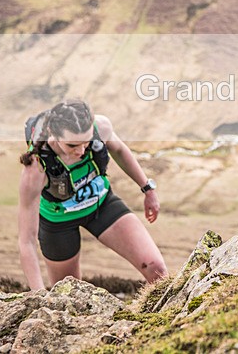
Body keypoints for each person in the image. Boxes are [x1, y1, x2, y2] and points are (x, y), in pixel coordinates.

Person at [18, 99, 167, 290]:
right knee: (70, 294)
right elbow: (26, 242)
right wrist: (37, 294)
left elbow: (120, 150)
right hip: (58, 224)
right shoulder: (35, 169)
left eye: (86, 143)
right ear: (53, 135)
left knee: (156, 268)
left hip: (101, 204)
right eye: (72, 145)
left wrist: (148, 189)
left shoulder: (101, 127)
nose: (81, 151)